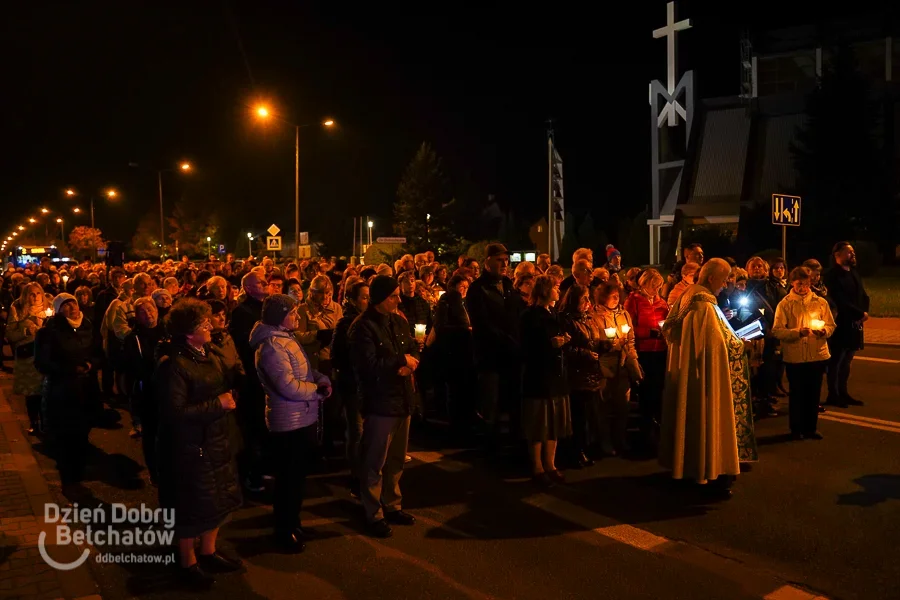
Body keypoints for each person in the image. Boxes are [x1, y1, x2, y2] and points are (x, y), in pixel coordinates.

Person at [154, 298, 243, 588]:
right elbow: (173, 413)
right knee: (191, 506)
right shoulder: (174, 365)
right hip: (190, 447)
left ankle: (208, 551)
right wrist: (217, 404)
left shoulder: (207, 352)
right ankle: (187, 562)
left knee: (214, 501)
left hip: (215, 439)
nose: (210, 326)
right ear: (189, 332)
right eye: (204, 324)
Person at [659, 258, 756, 496]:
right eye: (723, 281)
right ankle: (709, 470)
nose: (725, 286)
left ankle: (686, 466)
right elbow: (715, 347)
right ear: (712, 278)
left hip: (689, 374)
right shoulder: (703, 304)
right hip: (704, 378)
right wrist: (740, 344)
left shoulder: (688, 295)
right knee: (706, 417)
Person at [251, 295, 332, 553]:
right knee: (288, 481)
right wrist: (315, 390)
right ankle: (284, 531)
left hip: (300, 416)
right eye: (293, 313)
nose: (298, 317)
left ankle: (293, 524)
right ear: (279, 317)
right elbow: (287, 385)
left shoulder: (285, 338)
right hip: (289, 421)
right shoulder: (273, 346)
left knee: (296, 479)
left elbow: (302, 372)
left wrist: (319, 378)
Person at [349, 276, 421, 538]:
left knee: (396, 459)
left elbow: (413, 348)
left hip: (402, 399)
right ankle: (373, 512)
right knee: (374, 461)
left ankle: (392, 504)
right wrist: (400, 362)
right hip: (380, 402)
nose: (398, 299)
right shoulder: (363, 328)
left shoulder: (398, 321)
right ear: (380, 298)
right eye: (393, 296)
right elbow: (367, 367)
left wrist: (412, 361)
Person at [34, 294, 103, 492]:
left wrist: (91, 364)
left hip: (87, 387)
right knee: (65, 432)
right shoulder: (48, 332)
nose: (71, 306)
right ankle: (69, 475)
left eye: (72, 302)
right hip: (62, 390)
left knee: (83, 428)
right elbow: (42, 363)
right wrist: (70, 369)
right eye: (65, 304)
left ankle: (79, 465)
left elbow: (99, 354)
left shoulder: (88, 326)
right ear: (57, 310)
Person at [465, 243, 520, 448]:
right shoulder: (477, 289)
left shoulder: (508, 285)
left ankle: (513, 444)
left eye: (506, 260)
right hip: (490, 356)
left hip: (511, 355)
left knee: (512, 400)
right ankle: (489, 448)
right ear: (488, 262)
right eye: (500, 260)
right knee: (491, 402)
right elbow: (482, 324)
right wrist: (507, 340)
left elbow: (515, 315)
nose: (505, 264)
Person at [520, 275, 572, 487]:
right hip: (538, 376)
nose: (558, 292)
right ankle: (537, 466)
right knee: (539, 423)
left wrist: (564, 341)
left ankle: (551, 464)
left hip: (556, 376)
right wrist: (549, 344)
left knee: (554, 423)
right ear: (544, 291)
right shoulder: (530, 316)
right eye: (555, 288)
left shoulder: (556, 315)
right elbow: (525, 346)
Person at [772, 267, 835, 440]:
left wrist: (824, 332)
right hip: (795, 357)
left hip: (817, 354)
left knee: (813, 393)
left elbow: (830, 324)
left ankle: (811, 428)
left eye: (806, 284)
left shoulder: (820, 302)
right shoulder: (785, 304)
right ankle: (796, 429)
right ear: (792, 283)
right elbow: (777, 330)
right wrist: (797, 332)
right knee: (797, 394)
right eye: (800, 284)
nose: (803, 288)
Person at [558, 284, 603, 468]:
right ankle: (575, 451)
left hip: (590, 372)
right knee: (577, 415)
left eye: (588, 298)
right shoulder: (566, 320)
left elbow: (594, 340)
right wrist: (585, 354)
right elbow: (566, 348)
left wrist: (605, 345)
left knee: (588, 414)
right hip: (576, 374)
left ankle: (585, 447)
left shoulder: (589, 318)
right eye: (583, 298)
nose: (587, 302)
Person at [822, 242, 869, 408]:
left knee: (848, 360)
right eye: (849, 252)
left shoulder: (854, 273)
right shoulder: (832, 275)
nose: (853, 255)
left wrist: (863, 313)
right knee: (836, 360)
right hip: (841, 323)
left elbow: (862, 295)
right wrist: (858, 314)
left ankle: (843, 392)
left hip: (856, 324)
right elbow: (839, 300)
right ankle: (833, 394)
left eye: (853, 252)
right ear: (837, 255)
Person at [6, 283, 51, 434]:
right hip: (27, 356)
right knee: (32, 393)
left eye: (38, 293)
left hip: (45, 354)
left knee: (45, 390)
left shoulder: (48, 308)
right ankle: (34, 422)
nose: (35, 297)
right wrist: (25, 332)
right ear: (25, 295)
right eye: (32, 294)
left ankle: (46, 422)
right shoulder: (17, 308)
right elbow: (10, 334)